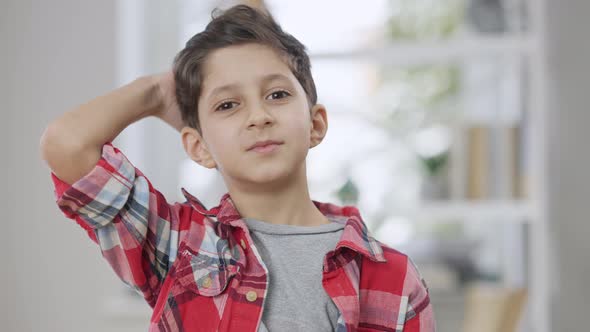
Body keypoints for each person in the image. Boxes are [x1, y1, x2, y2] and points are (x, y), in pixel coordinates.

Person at [40, 4, 435, 332]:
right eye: (227, 105)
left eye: (277, 94)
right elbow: (67, 144)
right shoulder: (178, 245)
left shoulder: (393, 276)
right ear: (198, 147)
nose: (258, 116)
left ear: (315, 125)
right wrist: (157, 91)